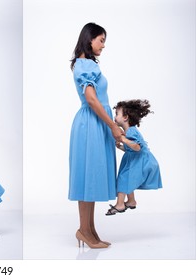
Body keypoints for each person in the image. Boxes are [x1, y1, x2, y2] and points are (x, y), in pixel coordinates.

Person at [68, 23, 123, 249]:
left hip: (95, 123)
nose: (103, 45)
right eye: (100, 40)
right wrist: (112, 125)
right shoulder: (84, 65)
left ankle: (89, 230)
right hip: (92, 123)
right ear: (89, 39)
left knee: (90, 177)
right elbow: (91, 99)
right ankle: (84, 230)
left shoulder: (86, 64)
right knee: (86, 177)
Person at [105, 99, 162, 215]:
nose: (114, 117)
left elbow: (137, 147)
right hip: (134, 159)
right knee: (127, 179)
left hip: (140, 161)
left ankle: (120, 205)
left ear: (125, 117)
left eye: (117, 114)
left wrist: (124, 139)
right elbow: (131, 149)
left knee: (123, 179)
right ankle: (131, 201)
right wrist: (121, 146)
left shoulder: (130, 132)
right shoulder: (130, 131)